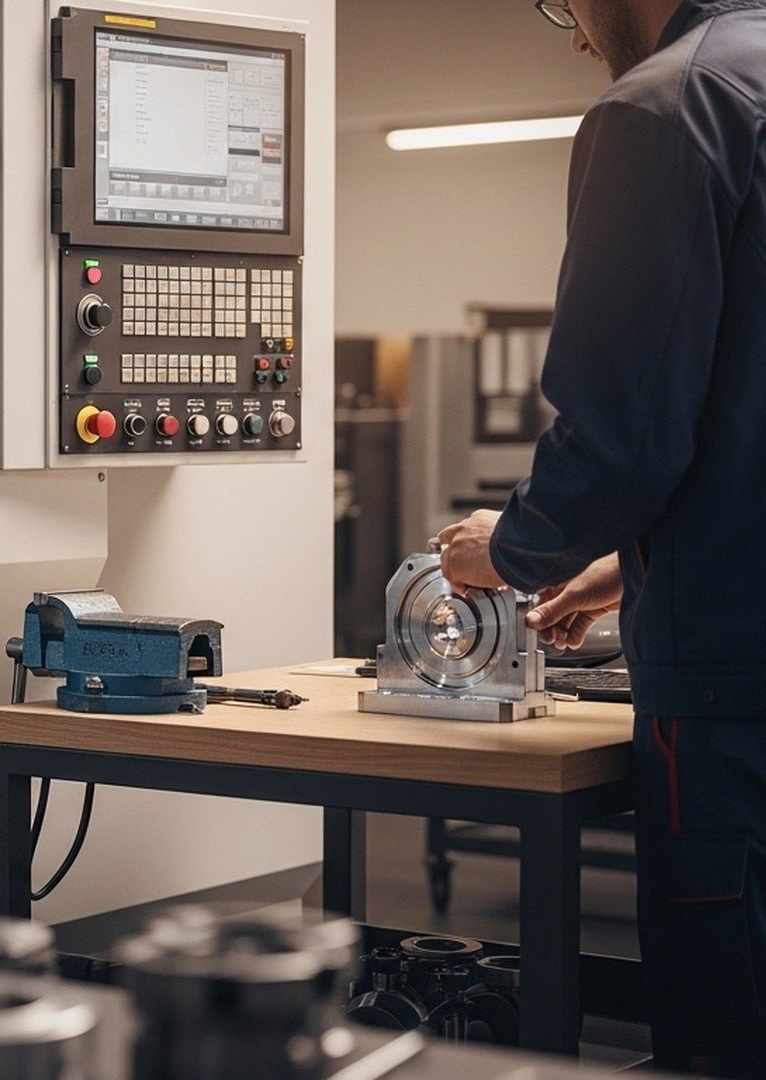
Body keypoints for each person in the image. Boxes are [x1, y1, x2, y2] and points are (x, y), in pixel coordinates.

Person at [433, 0, 766, 1071]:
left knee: (730, 1028)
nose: (575, 32)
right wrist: (631, 567)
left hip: (734, 701)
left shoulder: (669, 108)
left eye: (565, 4)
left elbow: (621, 441)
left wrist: (515, 547)